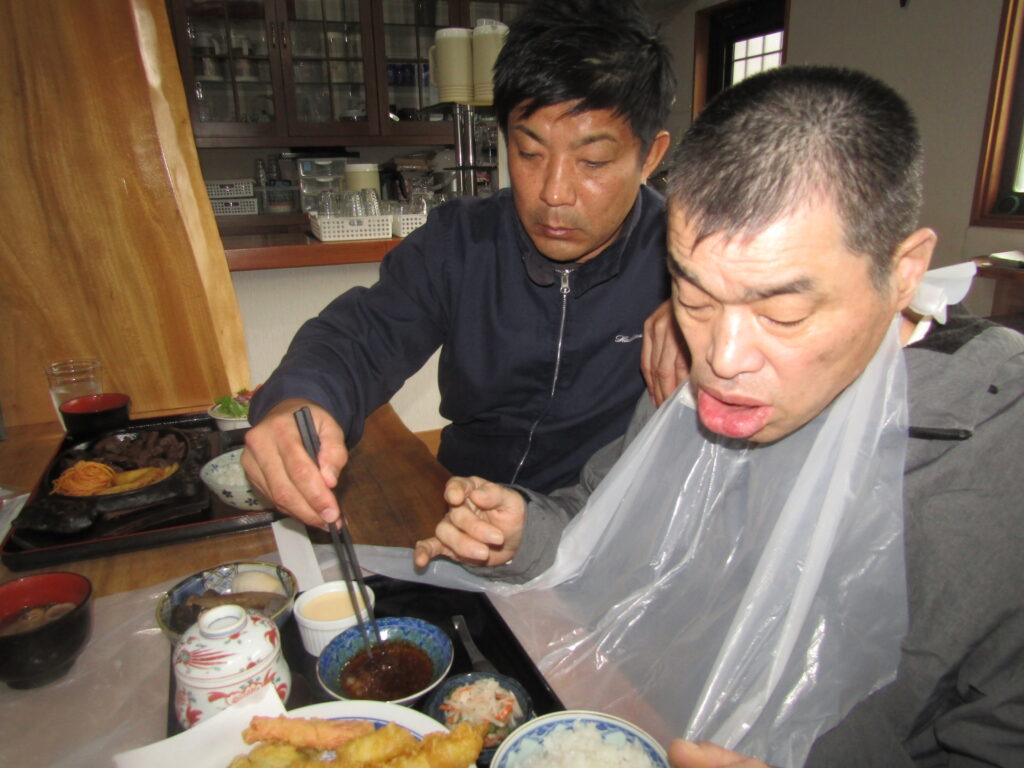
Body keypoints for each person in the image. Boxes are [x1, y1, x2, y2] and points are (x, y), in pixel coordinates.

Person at [413, 65, 1024, 766]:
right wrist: (524, 533)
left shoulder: (999, 456)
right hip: (625, 715)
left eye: (783, 313)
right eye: (694, 298)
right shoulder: (684, 363)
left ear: (904, 272)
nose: (722, 361)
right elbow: (603, 521)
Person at [241, 0, 677, 528]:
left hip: (605, 526)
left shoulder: (690, 262)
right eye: (529, 152)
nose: (554, 193)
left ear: (649, 157)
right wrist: (298, 402)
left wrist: (704, 316)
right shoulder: (462, 241)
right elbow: (361, 336)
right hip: (464, 512)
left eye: (593, 161)